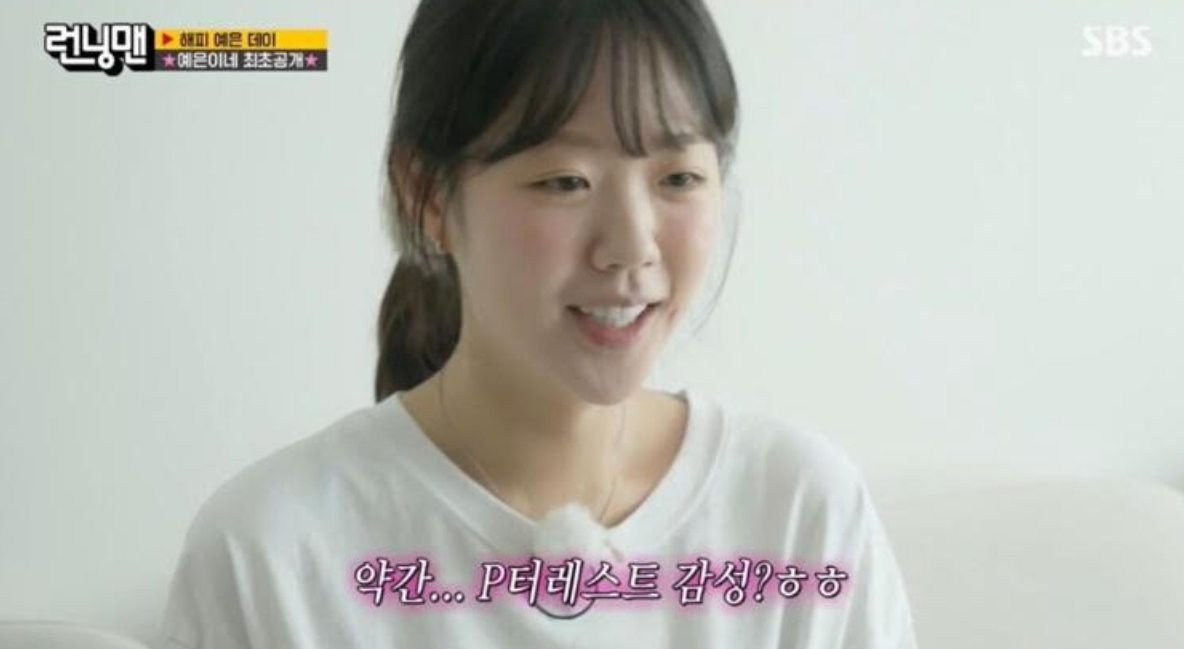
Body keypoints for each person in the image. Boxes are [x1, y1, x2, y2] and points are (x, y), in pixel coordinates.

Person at [155, 1, 918, 647]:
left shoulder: (797, 514)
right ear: (426, 195)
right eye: (565, 181)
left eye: (679, 177)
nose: (630, 246)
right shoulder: (272, 556)